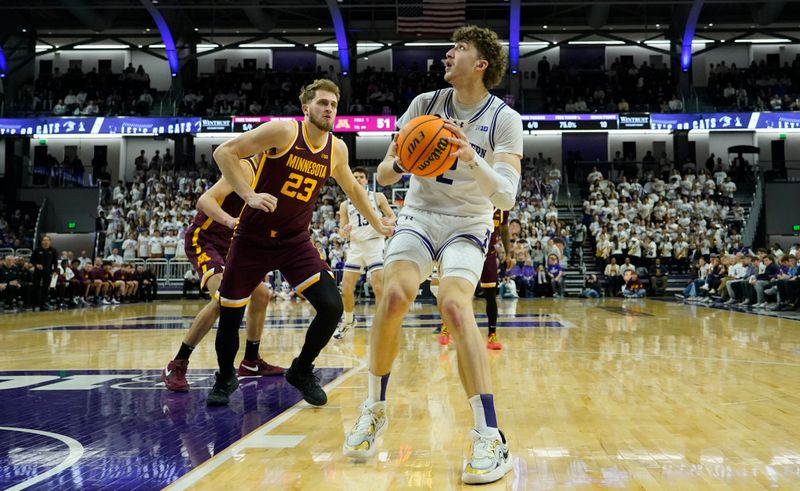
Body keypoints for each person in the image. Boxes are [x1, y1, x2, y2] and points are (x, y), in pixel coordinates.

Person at [343, 26, 522, 485]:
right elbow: (383, 175)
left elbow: (505, 198)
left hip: (469, 222)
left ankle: (489, 435)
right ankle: (373, 409)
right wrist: (402, 160)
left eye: (459, 48)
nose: (449, 53)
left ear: (481, 63)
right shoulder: (424, 105)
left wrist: (470, 156)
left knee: (456, 307)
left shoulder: (504, 119)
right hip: (420, 215)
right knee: (394, 295)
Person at [209, 79, 392, 407]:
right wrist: (248, 194)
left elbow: (353, 189)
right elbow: (224, 152)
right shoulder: (283, 132)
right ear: (306, 108)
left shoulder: (337, 149)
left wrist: (378, 222)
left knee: (332, 306)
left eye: (334, 105)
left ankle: (302, 369)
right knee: (231, 314)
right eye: (323, 103)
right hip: (252, 239)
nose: (329, 110)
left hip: (294, 241)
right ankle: (224, 377)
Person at [161, 156, 284, 394]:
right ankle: (177, 364)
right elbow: (204, 200)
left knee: (261, 295)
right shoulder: (246, 167)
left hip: (232, 244)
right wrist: (229, 221)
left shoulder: (273, 176)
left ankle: (250, 361)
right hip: (205, 238)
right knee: (222, 298)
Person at [333, 167, 396, 340]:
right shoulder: (345, 204)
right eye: (355, 177)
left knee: (377, 284)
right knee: (345, 288)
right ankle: (348, 320)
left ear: (366, 180)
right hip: (356, 246)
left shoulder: (377, 197)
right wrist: (343, 231)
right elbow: (341, 229)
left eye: (361, 177)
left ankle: (382, 323)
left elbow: (392, 216)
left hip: (375, 243)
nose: (358, 179)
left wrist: (388, 220)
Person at [30, 235, 59, 310]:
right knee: (35, 286)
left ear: (50, 242)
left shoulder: (53, 250)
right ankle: (34, 303)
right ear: (42, 242)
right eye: (44, 240)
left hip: (47, 272)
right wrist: (36, 265)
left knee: (45, 288)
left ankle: (44, 303)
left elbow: (55, 262)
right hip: (38, 271)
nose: (45, 242)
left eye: (47, 240)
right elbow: (32, 260)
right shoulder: (37, 250)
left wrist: (55, 271)